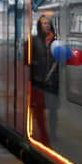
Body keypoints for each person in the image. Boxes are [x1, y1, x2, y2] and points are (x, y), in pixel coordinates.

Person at [30, 15, 59, 145]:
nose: (47, 25)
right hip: (39, 82)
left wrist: (58, 63)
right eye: (44, 23)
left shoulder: (55, 41)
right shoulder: (34, 41)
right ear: (39, 26)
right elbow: (29, 61)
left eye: (48, 23)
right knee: (40, 110)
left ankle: (52, 133)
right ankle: (43, 134)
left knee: (53, 109)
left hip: (53, 81)